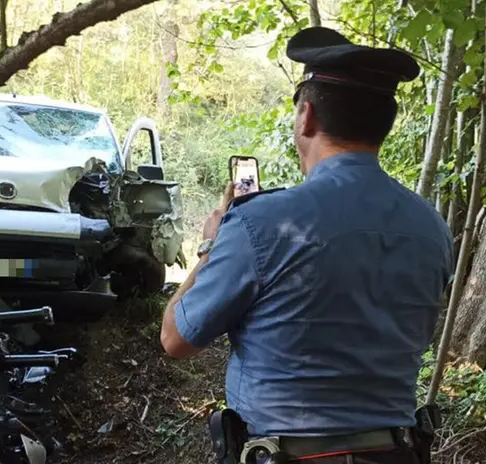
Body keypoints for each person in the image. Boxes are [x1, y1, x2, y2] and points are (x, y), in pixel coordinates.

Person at [159, 26, 453, 464]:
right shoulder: (432, 227)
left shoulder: (261, 222)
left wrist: (210, 248)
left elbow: (177, 339)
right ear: (383, 127)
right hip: (396, 452)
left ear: (307, 117)